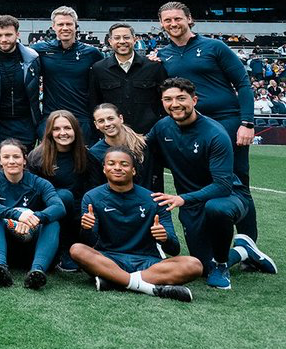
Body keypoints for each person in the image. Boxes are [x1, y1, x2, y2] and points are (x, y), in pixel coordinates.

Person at [156, 2, 269, 274]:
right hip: (193, 126)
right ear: (161, 24)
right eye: (167, 20)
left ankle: (248, 242)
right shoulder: (164, 54)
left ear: (189, 19)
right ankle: (215, 242)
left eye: (178, 18)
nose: (173, 24)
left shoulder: (214, 47)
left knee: (236, 180)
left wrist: (247, 122)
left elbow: (242, 83)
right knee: (202, 181)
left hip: (228, 120)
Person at [146, 78, 264, 290]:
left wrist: (183, 198)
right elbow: (139, 147)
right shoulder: (162, 127)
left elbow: (222, 186)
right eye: (168, 99)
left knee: (216, 209)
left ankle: (222, 265)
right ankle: (243, 250)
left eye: (181, 98)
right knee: (200, 266)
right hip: (191, 205)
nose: (175, 104)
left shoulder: (214, 133)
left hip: (227, 197)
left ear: (195, 100)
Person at [70, 145, 202, 302]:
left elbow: (174, 249)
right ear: (104, 169)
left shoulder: (154, 200)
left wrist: (164, 238)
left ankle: (116, 281)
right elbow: (89, 242)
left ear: (133, 170)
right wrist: (87, 229)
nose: (117, 168)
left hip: (147, 262)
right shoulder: (92, 197)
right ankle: (150, 288)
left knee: (194, 265)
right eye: (111, 163)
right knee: (77, 250)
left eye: (124, 164)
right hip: (110, 260)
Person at [0, 139, 66, 290]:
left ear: (25, 160)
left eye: (16, 157)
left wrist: (35, 218)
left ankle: (37, 271)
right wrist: (16, 215)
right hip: (5, 243)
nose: (11, 161)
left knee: (53, 221)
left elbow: (59, 207)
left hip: (33, 245)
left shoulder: (39, 182)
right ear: (0, 161)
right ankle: (0, 267)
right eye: (6, 157)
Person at [27, 110, 101, 271]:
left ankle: (74, 247)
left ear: (75, 129)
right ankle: (62, 250)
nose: (63, 133)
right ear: (50, 132)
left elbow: (95, 190)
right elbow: (31, 193)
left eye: (67, 128)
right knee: (63, 197)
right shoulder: (36, 157)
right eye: (57, 129)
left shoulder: (87, 157)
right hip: (47, 215)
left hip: (79, 216)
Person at [32, 7, 104, 138]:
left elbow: (110, 71)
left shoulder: (92, 53)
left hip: (82, 119)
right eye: (60, 24)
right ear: (53, 27)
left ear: (76, 26)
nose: (65, 28)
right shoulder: (39, 50)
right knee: (51, 158)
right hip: (52, 117)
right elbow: (12, 53)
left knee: (82, 158)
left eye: (69, 24)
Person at [88, 22, 168, 135]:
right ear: (110, 41)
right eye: (117, 38)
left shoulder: (153, 66)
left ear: (134, 40)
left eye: (126, 37)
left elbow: (164, 100)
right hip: (114, 136)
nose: (122, 41)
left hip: (149, 135)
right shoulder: (99, 69)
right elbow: (94, 103)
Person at [0, 15, 42, 152]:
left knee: (25, 170)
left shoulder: (33, 59)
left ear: (17, 34)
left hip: (26, 126)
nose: (3, 39)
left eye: (8, 35)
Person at [89, 103, 157, 190]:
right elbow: (96, 185)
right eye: (101, 121)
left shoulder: (143, 144)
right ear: (96, 125)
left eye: (110, 118)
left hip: (149, 198)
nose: (107, 124)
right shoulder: (94, 153)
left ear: (120, 118)